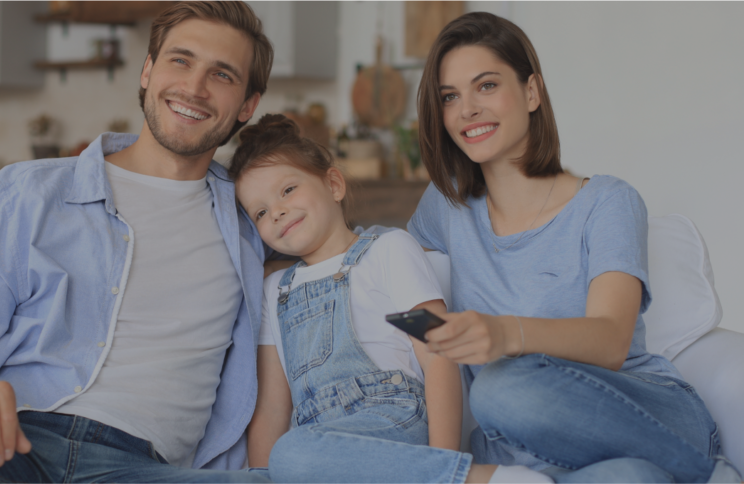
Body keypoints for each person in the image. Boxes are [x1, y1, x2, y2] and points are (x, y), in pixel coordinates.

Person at [0, 1, 277, 483]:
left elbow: (339, 252)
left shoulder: (253, 224)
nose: (194, 87)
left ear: (247, 104)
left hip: (144, 469)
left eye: (222, 75)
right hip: (13, 446)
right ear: (147, 71)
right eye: (180, 60)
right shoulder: (29, 193)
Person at [407, 12, 742, 484]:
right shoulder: (446, 206)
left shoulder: (607, 201)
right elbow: (385, 268)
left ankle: (711, 475)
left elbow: (609, 339)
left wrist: (503, 335)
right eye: (450, 97)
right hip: (526, 450)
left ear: (531, 91)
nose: (467, 110)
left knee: (501, 388)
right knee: (632, 480)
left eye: (486, 86)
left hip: (642, 411)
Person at [232, 114, 553, 484]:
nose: (277, 212)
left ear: (333, 184)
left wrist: (445, 460)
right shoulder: (275, 292)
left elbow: (438, 356)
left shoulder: (386, 252)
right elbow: (272, 406)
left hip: (393, 419)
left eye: (287, 190)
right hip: (324, 448)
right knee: (282, 460)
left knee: (292, 453)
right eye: (260, 212)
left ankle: (470, 479)